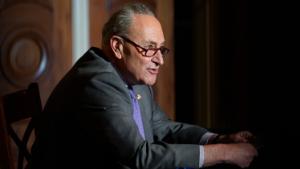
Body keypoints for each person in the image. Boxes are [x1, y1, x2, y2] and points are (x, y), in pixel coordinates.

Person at [30, 2, 258, 169]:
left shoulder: (132, 77)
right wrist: (225, 153)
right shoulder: (97, 83)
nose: (159, 59)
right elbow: (141, 157)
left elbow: (161, 127)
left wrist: (216, 139)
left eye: (161, 49)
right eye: (149, 48)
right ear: (118, 47)